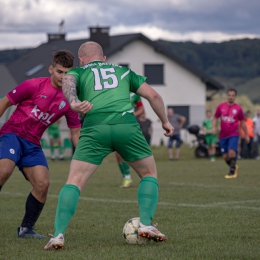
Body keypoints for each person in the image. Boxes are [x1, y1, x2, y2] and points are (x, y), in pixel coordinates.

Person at [44, 41, 174, 250]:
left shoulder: (77, 71)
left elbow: (67, 80)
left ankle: (58, 235)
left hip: (95, 127)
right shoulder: (123, 71)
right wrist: (165, 122)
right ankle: (147, 224)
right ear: (104, 58)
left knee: (74, 182)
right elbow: (154, 95)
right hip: (126, 126)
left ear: (82, 60)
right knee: (149, 174)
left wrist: (74, 103)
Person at [0, 50, 91, 239]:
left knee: (43, 184)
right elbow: (4, 103)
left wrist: (82, 156)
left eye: (67, 73)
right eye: (59, 72)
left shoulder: (71, 99)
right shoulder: (33, 85)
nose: (63, 77)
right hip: (13, 134)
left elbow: (75, 132)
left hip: (32, 143)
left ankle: (26, 229)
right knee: (3, 171)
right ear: (51, 69)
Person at [212, 88, 249, 179]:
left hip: (233, 134)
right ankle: (234, 166)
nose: (231, 97)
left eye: (233, 95)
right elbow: (215, 118)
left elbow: (243, 123)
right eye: (229, 95)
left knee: (231, 152)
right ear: (227, 96)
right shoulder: (221, 107)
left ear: (235, 97)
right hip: (223, 135)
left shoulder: (238, 108)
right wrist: (214, 128)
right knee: (225, 156)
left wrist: (247, 135)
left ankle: (232, 172)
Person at [115, 93, 144, 188]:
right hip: (116, 124)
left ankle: (139, 176)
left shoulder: (135, 94)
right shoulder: (116, 89)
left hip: (128, 125)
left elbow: (141, 109)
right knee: (118, 154)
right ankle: (126, 178)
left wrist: (132, 114)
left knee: (126, 152)